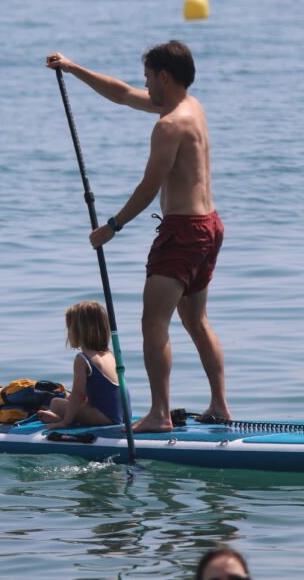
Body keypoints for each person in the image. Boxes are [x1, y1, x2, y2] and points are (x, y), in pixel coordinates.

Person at [46, 41, 230, 433]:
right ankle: (219, 405)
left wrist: (111, 228)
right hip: (209, 226)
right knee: (196, 320)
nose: (144, 86)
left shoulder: (168, 125)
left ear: (164, 76)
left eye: (148, 78)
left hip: (183, 233)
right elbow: (122, 94)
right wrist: (74, 67)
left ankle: (159, 414)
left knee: (153, 323)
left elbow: (150, 187)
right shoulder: (191, 108)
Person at [37, 300, 124, 429]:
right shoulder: (109, 355)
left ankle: (65, 418)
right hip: (122, 414)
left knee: (55, 403)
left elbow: (79, 394)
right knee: (69, 399)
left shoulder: (82, 359)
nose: (68, 333)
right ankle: (65, 416)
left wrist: (65, 422)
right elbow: (99, 393)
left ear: (79, 331)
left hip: (105, 418)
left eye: (69, 329)